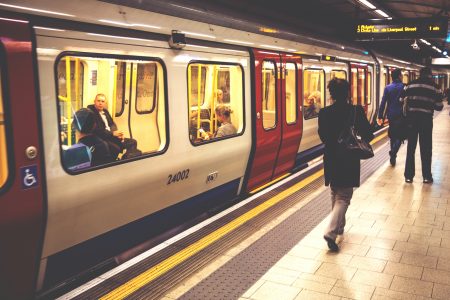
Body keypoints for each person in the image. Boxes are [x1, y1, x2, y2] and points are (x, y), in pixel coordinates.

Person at [318, 78, 374, 251]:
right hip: (348, 157)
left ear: (331, 93)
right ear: (347, 92)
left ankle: (340, 227)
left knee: (335, 191)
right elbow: (369, 134)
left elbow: (323, 137)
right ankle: (331, 231)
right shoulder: (355, 111)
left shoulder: (324, 112)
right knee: (344, 197)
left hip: (331, 156)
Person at [400, 67, 444, 184]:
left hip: (411, 121)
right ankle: (426, 176)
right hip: (426, 121)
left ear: (419, 74)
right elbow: (439, 106)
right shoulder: (435, 87)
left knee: (411, 149)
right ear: (429, 75)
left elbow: (401, 100)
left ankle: (408, 176)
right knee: (426, 149)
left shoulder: (410, 85)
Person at [88, 93, 140, 159]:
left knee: (132, 142)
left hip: (111, 136)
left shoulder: (105, 111)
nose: (100, 103)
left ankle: (126, 160)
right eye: (98, 101)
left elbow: (112, 124)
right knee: (116, 148)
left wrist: (118, 133)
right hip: (102, 138)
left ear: (105, 103)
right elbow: (98, 130)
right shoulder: (91, 113)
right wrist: (113, 133)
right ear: (94, 101)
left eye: (102, 101)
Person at [377, 68, 404, 166]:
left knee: (393, 135)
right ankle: (393, 152)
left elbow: (383, 103)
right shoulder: (403, 87)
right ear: (399, 76)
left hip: (391, 115)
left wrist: (380, 116)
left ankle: (393, 157)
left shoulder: (388, 88)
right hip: (401, 115)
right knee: (400, 136)